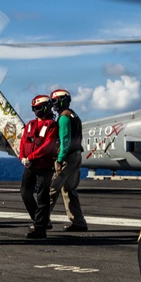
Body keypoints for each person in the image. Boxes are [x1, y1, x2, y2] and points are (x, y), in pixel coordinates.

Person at [47, 88, 89, 232]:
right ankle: (78, 222)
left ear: (61, 101)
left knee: (52, 188)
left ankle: (43, 221)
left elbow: (65, 141)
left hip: (67, 158)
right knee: (69, 190)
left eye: (54, 101)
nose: (53, 104)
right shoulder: (73, 115)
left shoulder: (63, 118)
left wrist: (59, 159)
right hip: (76, 156)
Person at [19, 94, 58, 240]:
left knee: (42, 196)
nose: (36, 110)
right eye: (34, 108)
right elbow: (23, 143)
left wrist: (30, 157)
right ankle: (40, 220)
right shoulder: (30, 125)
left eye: (39, 108)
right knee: (25, 193)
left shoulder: (52, 125)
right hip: (29, 164)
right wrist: (22, 157)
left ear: (46, 108)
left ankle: (40, 228)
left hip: (44, 166)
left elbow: (48, 146)